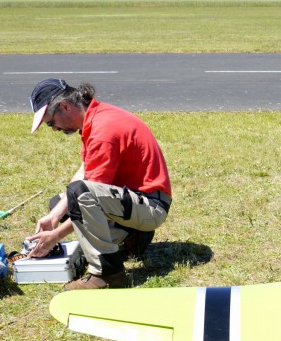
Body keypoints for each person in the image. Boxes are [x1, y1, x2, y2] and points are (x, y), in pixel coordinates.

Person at [26, 78, 173, 289]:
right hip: (133, 198)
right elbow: (85, 170)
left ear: (65, 107)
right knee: (60, 203)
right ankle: (132, 234)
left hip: (151, 206)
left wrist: (56, 236)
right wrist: (54, 215)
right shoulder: (96, 116)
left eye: (50, 122)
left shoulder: (103, 130)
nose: (54, 128)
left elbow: (86, 193)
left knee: (79, 196)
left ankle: (108, 273)